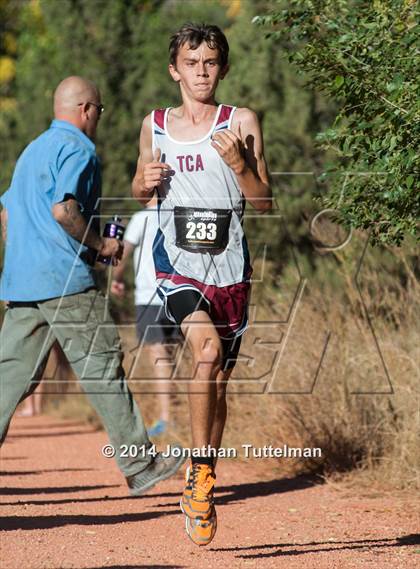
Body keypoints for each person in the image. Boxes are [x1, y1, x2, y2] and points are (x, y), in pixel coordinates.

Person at [0, 75, 185, 495]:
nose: (99, 118)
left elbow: (7, 215)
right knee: (102, 366)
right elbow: (65, 210)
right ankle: (140, 465)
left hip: (23, 282)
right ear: (86, 110)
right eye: (99, 110)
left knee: (9, 378)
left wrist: (28, 258)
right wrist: (100, 243)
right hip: (66, 281)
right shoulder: (78, 148)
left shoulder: (32, 151)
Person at [132, 24, 271, 545]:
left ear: (224, 67)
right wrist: (141, 184)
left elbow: (264, 202)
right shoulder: (156, 124)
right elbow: (141, 188)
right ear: (175, 70)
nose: (201, 72)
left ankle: (202, 472)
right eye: (191, 63)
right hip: (177, 266)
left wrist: (240, 166)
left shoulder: (242, 122)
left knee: (218, 384)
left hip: (230, 269)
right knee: (206, 354)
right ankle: (200, 475)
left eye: (211, 62)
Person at [111, 194, 182, 436]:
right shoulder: (178, 214)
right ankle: (180, 416)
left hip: (150, 295)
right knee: (175, 356)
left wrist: (117, 279)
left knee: (159, 356)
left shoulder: (141, 218)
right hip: (182, 293)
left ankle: (168, 419)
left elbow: (123, 253)